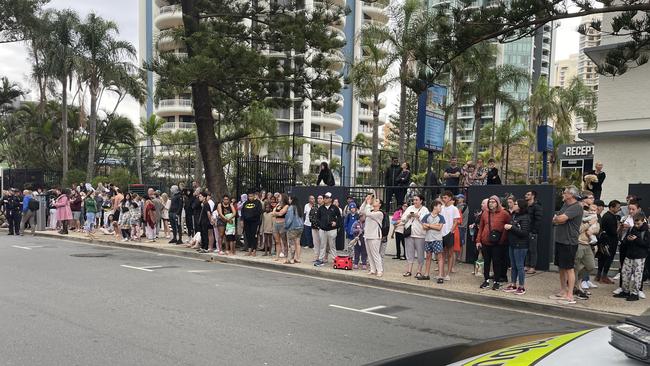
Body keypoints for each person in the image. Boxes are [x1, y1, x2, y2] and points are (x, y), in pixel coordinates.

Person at [550, 186, 584, 305]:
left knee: (569, 268)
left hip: (569, 242)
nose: (562, 194)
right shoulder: (565, 205)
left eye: (564, 193)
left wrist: (558, 219)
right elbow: (556, 218)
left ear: (571, 195)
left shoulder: (576, 207)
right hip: (560, 240)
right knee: (561, 267)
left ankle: (570, 295)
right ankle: (563, 291)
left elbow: (561, 218)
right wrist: (558, 219)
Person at [476, 195, 511, 290]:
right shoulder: (485, 213)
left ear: (498, 203)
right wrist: (478, 240)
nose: (491, 203)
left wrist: (502, 240)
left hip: (498, 243)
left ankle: (497, 281)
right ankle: (486, 280)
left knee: (497, 262)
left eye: (493, 202)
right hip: (485, 241)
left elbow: (508, 227)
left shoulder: (504, 214)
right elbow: (481, 228)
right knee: (486, 262)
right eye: (490, 202)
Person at [614, 213, 650, 301]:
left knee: (637, 276)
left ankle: (635, 293)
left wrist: (636, 239)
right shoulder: (631, 229)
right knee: (625, 273)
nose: (636, 226)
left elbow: (647, 244)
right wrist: (628, 239)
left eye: (639, 224)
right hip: (629, 255)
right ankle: (625, 291)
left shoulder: (646, 231)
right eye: (635, 223)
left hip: (640, 257)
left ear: (643, 221)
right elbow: (625, 240)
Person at [503, 199, 530, 295]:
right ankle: (513, 284)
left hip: (521, 245)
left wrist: (511, 227)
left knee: (519, 266)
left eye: (516, 204)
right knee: (513, 266)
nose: (514, 205)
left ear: (520, 206)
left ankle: (521, 286)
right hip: (512, 244)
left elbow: (524, 232)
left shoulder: (525, 217)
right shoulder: (514, 215)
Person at [574, 204, 599, 300]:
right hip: (579, 243)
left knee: (591, 266)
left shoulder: (594, 218)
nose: (592, 212)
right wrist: (588, 224)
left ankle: (577, 283)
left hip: (588, 244)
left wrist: (592, 231)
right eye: (590, 210)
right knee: (576, 267)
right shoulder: (582, 217)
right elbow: (578, 230)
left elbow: (597, 229)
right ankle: (576, 287)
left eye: (594, 210)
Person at [401, 194, 430, 279]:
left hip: (420, 235)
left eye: (416, 200)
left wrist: (418, 216)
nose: (414, 202)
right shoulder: (410, 208)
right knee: (409, 253)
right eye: (414, 200)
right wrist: (408, 216)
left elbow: (427, 222)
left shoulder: (425, 210)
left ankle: (419, 271)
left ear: (421, 201)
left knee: (420, 254)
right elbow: (403, 219)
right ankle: (409, 270)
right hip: (409, 234)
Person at [596, 200, 621, 284]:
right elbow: (614, 232)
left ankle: (599, 275)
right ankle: (604, 276)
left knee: (602, 258)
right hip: (610, 241)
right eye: (617, 207)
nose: (619, 209)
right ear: (611, 207)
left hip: (604, 240)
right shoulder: (610, 217)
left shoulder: (606, 216)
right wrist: (620, 226)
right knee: (608, 258)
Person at [314, 192, 341, 267]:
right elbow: (317, 218)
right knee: (322, 245)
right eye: (324, 198)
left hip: (332, 230)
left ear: (330, 199)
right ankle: (321, 260)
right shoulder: (321, 208)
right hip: (322, 230)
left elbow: (339, 218)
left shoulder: (335, 208)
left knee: (332, 246)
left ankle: (335, 260)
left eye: (326, 198)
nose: (325, 199)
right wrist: (320, 225)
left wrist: (336, 223)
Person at [360, 198, 385, 277]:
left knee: (375, 254)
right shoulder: (369, 210)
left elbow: (368, 214)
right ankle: (373, 269)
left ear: (380, 205)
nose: (374, 201)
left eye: (377, 201)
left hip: (375, 236)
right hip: (367, 235)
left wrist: (368, 203)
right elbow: (361, 211)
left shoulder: (379, 213)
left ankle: (380, 270)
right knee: (369, 254)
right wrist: (365, 201)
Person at [422, 200, 445, 283]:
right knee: (428, 256)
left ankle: (440, 276)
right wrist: (434, 225)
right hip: (428, 239)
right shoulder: (427, 216)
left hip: (437, 239)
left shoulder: (441, 217)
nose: (440, 208)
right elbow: (424, 227)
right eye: (439, 206)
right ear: (435, 206)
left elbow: (439, 228)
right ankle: (426, 274)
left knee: (439, 257)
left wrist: (429, 225)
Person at [441, 191, 461, 279]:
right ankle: (441, 273)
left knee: (450, 254)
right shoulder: (441, 207)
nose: (443, 199)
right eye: (443, 197)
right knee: (442, 254)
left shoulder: (454, 209)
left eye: (445, 197)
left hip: (449, 234)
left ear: (449, 198)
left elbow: (456, 221)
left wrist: (450, 231)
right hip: (440, 234)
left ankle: (448, 274)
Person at [524, 190, 543, 274]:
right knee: (526, 249)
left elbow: (538, 220)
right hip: (525, 231)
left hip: (532, 232)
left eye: (528, 194)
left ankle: (532, 267)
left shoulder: (537, 206)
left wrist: (534, 231)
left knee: (532, 250)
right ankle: (527, 265)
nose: (526, 195)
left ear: (533, 196)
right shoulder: (526, 206)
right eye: (526, 194)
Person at [241, 191, 263, 256]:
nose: (250, 197)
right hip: (247, 222)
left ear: (254, 196)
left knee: (254, 236)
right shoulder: (245, 203)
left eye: (251, 196)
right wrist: (242, 220)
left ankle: (254, 250)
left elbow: (259, 212)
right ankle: (249, 249)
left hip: (254, 222)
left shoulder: (257, 203)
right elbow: (242, 212)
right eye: (249, 196)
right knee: (248, 236)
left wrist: (251, 216)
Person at [284, 196, 304, 264]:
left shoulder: (291, 207)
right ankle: (297, 258)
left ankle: (291, 259)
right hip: (300, 228)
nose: (288, 200)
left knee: (291, 244)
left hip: (293, 228)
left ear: (292, 200)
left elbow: (289, 219)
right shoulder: (299, 207)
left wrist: (286, 226)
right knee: (298, 243)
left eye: (289, 199)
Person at [272, 193, 289, 260]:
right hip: (276, 223)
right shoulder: (277, 205)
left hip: (282, 223)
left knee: (284, 241)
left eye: (280, 197)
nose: (278, 198)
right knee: (277, 241)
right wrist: (277, 213)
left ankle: (286, 256)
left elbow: (281, 213)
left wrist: (276, 213)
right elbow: (273, 213)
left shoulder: (286, 206)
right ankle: (277, 256)